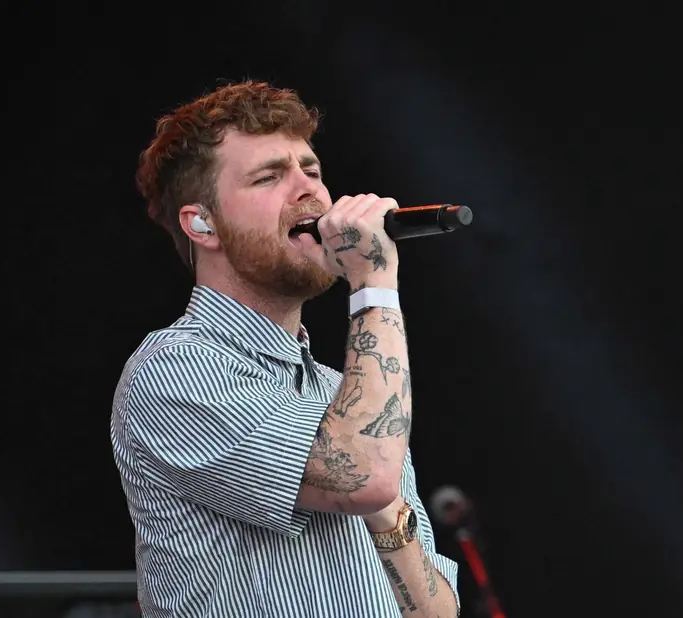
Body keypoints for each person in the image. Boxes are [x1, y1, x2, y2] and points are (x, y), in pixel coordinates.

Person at [110, 80, 460, 617]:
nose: (310, 191)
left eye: (312, 171)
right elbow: (364, 473)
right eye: (269, 176)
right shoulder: (174, 369)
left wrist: (388, 515)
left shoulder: (345, 393)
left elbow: (437, 612)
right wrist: (373, 283)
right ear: (201, 223)